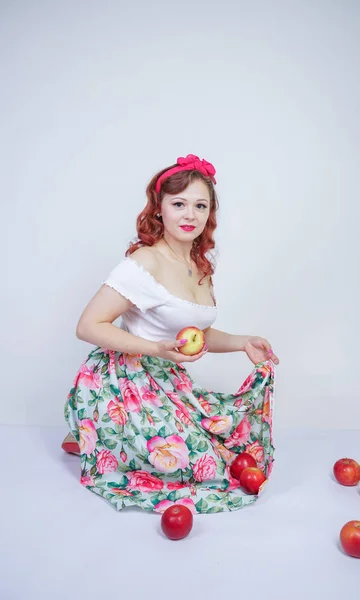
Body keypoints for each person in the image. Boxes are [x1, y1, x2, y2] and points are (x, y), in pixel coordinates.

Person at [63, 153, 279, 514]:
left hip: (168, 379)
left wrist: (243, 342)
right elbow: (88, 326)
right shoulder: (145, 262)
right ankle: (96, 432)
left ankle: (93, 438)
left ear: (210, 213)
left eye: (200, 205)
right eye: (179, 204)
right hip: (124, 382)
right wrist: (154, 349)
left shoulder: (200, 265)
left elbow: (196, 336)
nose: (190, 215)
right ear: (159, 208)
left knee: (222, 451)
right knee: (194, 468)